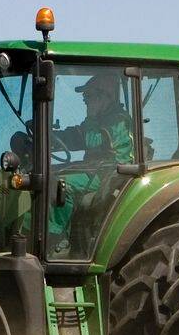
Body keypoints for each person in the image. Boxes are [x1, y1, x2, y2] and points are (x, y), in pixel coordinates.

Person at [48, 71, 134, 255]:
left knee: (60, 185)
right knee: (45, 173)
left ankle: (56, 241)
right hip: (96, 169)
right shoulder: (100, 119)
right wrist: (50, 139)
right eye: (85, 97)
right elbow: (78, 135)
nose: (85, 101)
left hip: (112, 174)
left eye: (89, 97)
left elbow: (92, 139)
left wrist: (90, 120)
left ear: (105, 97)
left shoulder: (117, 120)